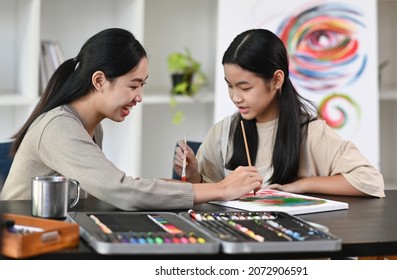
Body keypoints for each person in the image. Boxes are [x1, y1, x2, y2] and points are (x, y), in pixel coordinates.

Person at [0, 28, 262, 210]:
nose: (139, 97)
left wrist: (164, 187)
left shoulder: (91, 127)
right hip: (22, 244)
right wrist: (223, 189)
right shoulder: (58, 127)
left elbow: (109, 187)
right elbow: (121, 191)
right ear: (100, 80)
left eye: (143, 86)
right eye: (133, 85)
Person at [174, 28, 385, 197]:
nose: (236, 97)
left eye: (245, 88)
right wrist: (193, 175)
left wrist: (302, 185)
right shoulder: (224, 130)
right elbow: (208, 192)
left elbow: (369, 180)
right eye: (230, 86)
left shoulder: (310, 132)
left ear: (276, 80)